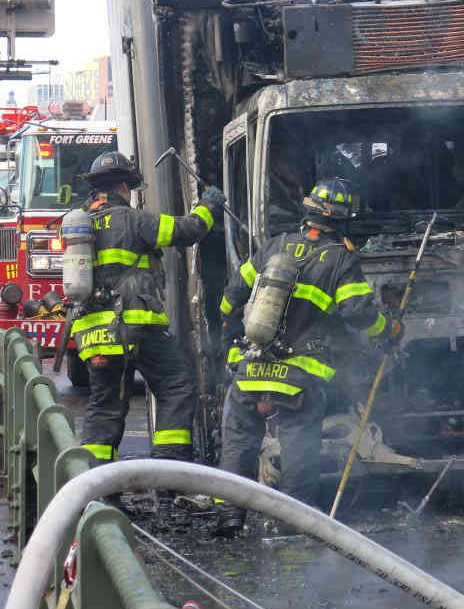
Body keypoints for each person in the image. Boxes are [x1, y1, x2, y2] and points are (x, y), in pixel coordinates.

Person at [213, 178, 393, 536]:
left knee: (238, 441)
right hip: (299, 374)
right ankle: (292, 522)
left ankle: (229, 517)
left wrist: (233, 345)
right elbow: (359, 313)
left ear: (307, 212)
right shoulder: (340, 260)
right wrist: (389, 331)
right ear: (343, 221)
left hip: (251, 368)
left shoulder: (273, 246)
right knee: (299, 447)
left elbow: (232, 297)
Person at [73, 151, 223, 465]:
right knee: (177, 385)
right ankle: (170, 465)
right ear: (124, 187)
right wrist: (209, 204)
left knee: (105, 405)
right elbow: (188, 230)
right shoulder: (135, 220)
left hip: (93, 333)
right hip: (134, 326)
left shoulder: (82, 224)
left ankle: (93, 487)